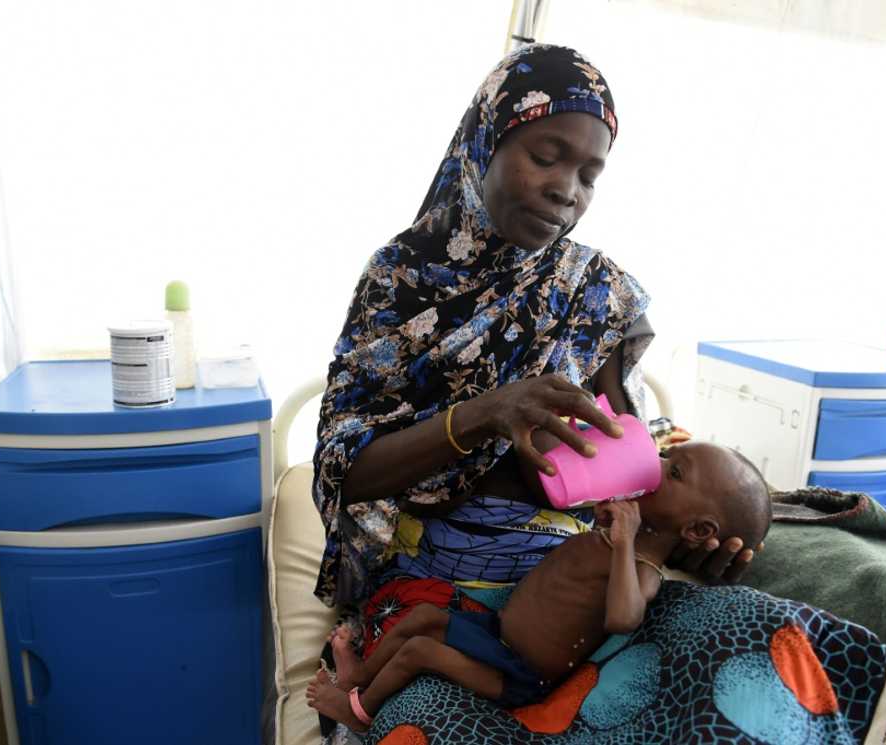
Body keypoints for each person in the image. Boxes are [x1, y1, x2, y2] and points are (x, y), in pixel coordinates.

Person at [312, 43, 757, 737]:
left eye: (588, 172)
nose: (566, 189)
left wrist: (692, 536)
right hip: (434, 570)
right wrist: (484, 414)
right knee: (420, 717)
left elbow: (628, 459)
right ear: (485, 141)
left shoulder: (595, 291)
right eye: (546, 156)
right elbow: (348, 470)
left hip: (565, 586)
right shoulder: (399, 282)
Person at [306, 441, 773, 731]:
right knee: (423, 617)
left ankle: (359, 712)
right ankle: (363, 677)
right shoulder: (619, 530)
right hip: (496, 634)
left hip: (519, 674)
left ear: (695, 532)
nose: (658, 460)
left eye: (674, 471)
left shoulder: (643, 564)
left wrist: (627, 538)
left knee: (418, 652)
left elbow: (623, 617)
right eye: (667, 451)